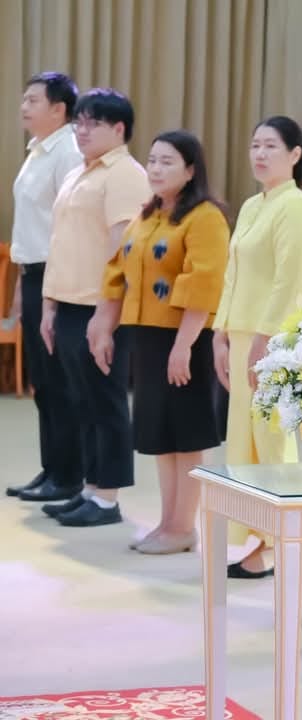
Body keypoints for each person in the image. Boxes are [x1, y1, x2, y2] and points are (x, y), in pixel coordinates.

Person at [91, 130, 229, 554]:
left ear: (190, 170)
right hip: (148, 337)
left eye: (167, 161)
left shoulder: (204, 217)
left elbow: (204, 283)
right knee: (160, 435)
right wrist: (104, 323)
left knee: (186, 435)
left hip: (186, 338)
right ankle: (169, 523)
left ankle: (183, 526)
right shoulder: (148, 214)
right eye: (152, 160)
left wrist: (183, 346)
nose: (155, 168)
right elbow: (118, 270)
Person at [39, 88, 150, 526]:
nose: (82, 131)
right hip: (68, 302)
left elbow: (120, 249)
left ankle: (107, 497)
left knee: (105, 402)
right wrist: (49, 306)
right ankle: (89, 487)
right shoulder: (78, 173)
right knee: (80, 401)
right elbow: (61, 242)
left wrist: (107, 314)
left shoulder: (124, 174)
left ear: (119, 129)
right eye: (79, 122)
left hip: (98, 307)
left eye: (93, 124)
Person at [212, 116, 302, 578]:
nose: (259, 153)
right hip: (241, 335)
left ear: (295, 155)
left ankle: (281, 540)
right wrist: (220, 331)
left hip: (271, 339)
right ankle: (261, 537)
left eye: (271, 146)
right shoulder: (253, 205)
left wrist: (264, 340)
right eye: (255, 144)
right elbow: (232, 274)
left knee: (273, 438)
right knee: (245, 441)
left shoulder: (295, 206)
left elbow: (287, 281)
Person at [6, 72, 83, 502]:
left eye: (33, 100)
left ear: (58, 109)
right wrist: (22, 286)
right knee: (43, 382)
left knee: (59, 380)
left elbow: (69, 224)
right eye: (24, 99)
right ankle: (51, 468)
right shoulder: (37, 149)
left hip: (57, 277)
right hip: (33, 274)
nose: (24, 106)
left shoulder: (67, 152)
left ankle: (69, 475)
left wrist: (50, 287)